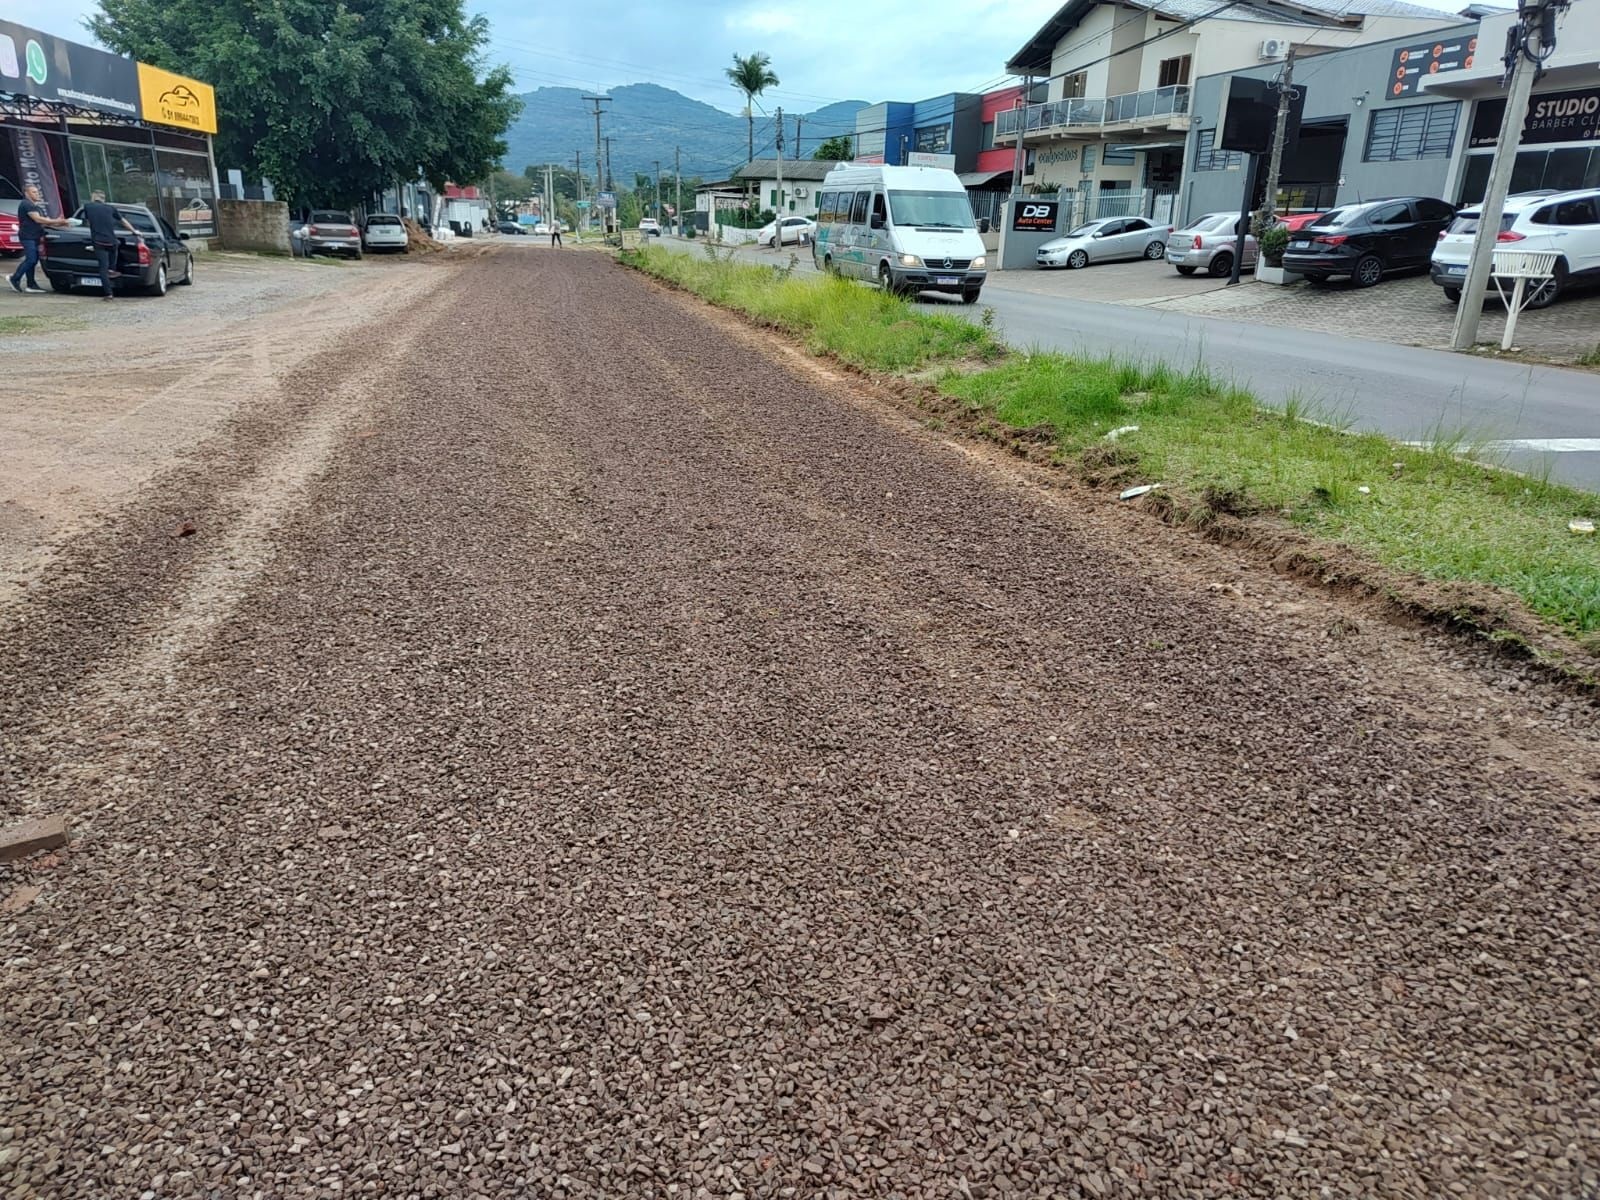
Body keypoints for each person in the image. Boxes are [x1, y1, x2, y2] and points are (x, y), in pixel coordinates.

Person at [82, 190, 143, 300]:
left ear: (93, 197)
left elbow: (88, 222)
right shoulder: (110, 208)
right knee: (115, 250)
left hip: (98, 242)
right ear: (103, 199)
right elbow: (123, 221)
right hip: (112, 241)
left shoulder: (88, 206)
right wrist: (134, 231)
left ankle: (109, 293)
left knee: (103, 269)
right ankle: (112, 269)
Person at [8, 185, 67, 294]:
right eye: (34, 192)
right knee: (31, 259)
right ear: (27, 193)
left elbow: (45, 221)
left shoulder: (37, 207)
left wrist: (59, 223)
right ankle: (14, 278)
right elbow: (38, 219)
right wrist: (56, 221)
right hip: (27, 236)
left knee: (33, 261)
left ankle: (31, 284)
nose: (37, 194)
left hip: (35, 236)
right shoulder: (27, 204)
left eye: (37, 192)